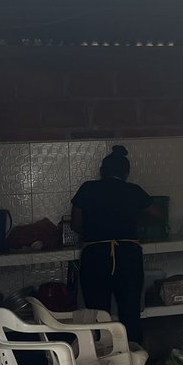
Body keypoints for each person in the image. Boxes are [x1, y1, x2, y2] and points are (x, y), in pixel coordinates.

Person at [70, 145, 155, 344]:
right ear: (126, 173)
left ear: (101, 171)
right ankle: (133, 363)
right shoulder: (133, 190)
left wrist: (96, 232)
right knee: (130, 312)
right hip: (128, 254)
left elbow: (75, 224)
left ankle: (103, 363)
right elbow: (157, 214)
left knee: (98, 314)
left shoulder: (87, 188)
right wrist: (139, 225)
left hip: (96, 255)